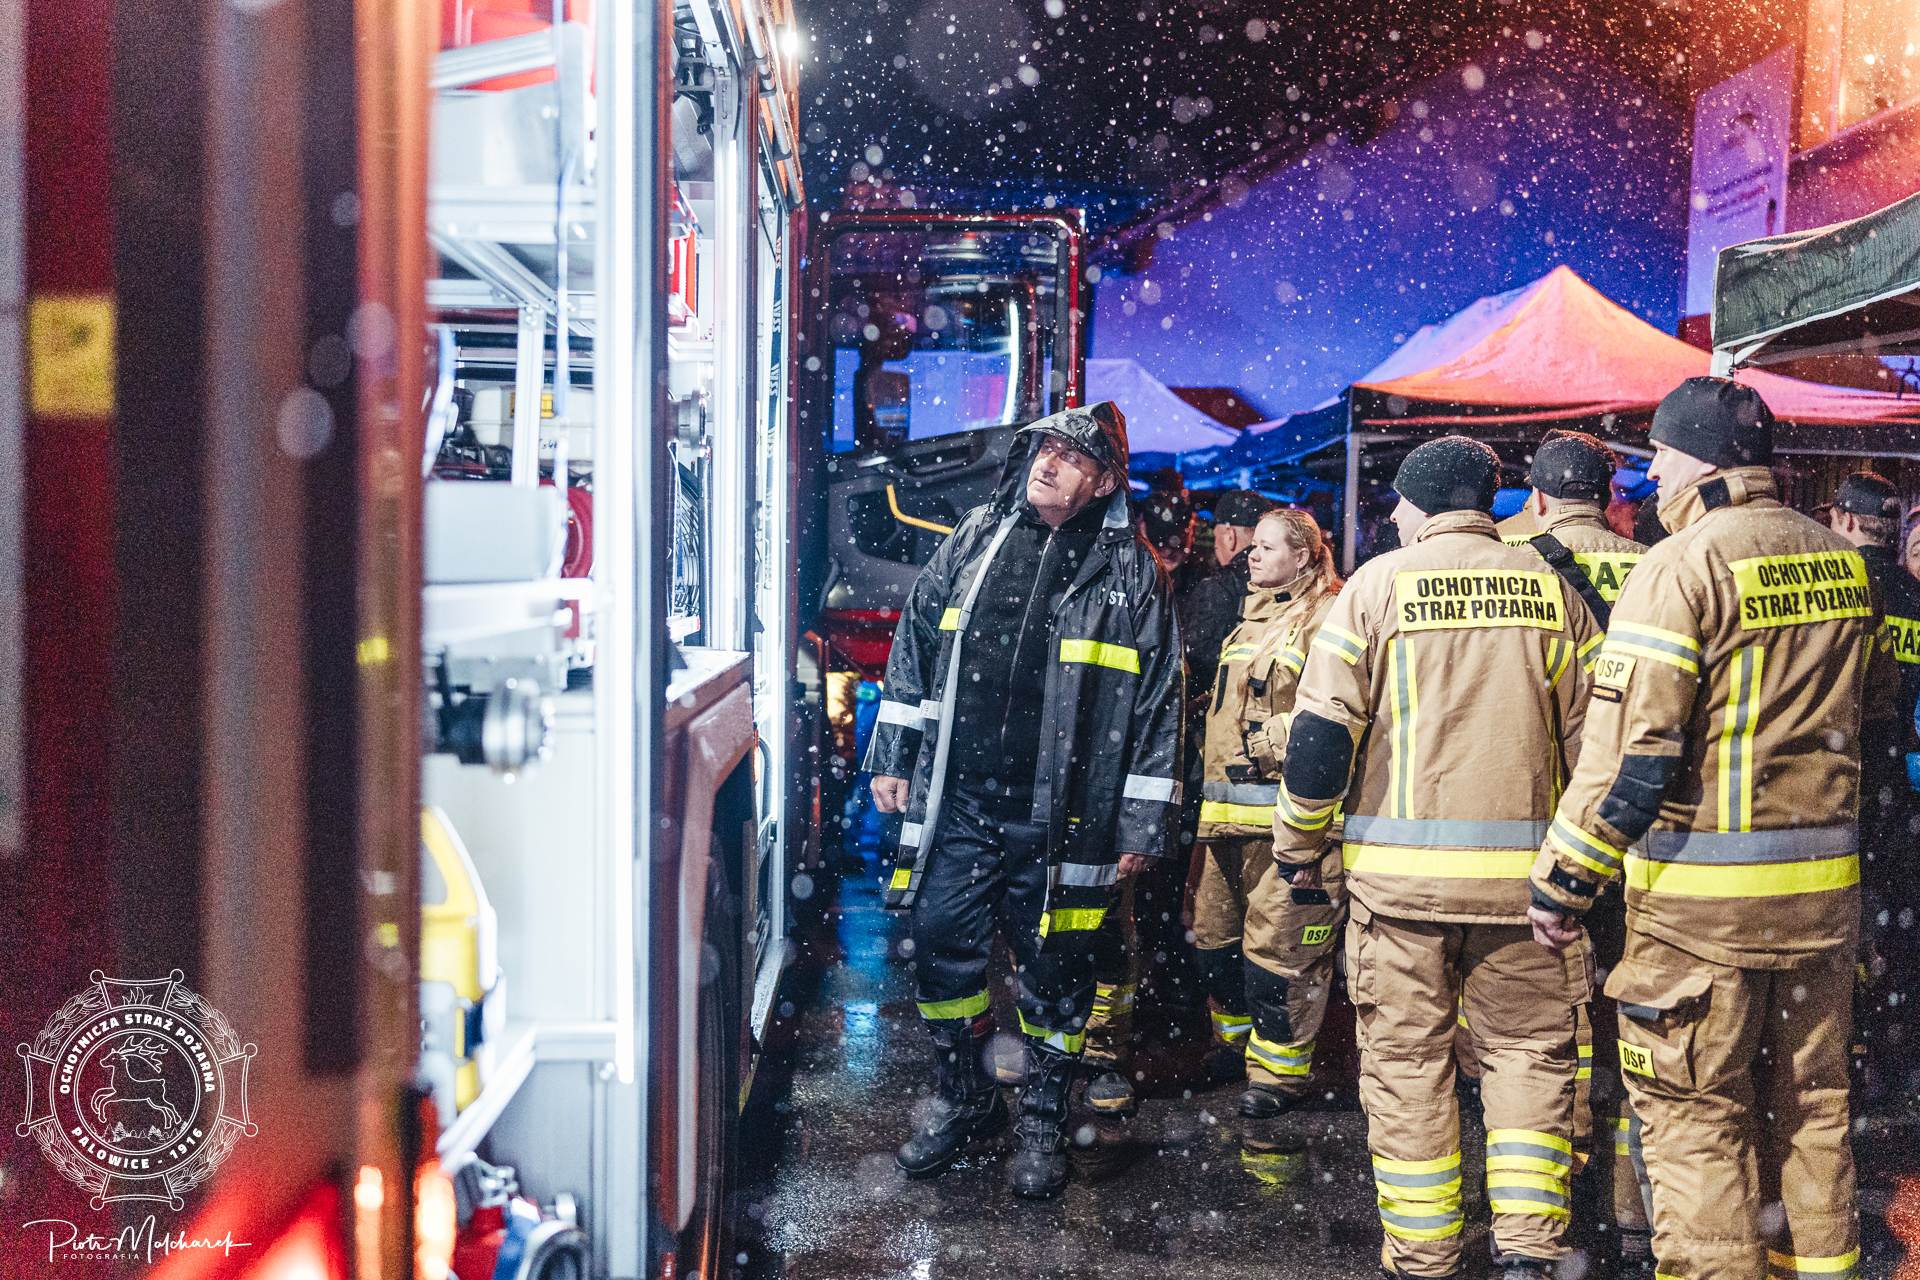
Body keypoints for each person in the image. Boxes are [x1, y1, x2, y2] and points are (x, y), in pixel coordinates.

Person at [1528, 378, 1902, 1280]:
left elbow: (1635, 755)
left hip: (1699, 909)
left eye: (1659, 454)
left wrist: (1565, 881)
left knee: (1695, 1115)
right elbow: (1880, 714)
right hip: (1822, 903)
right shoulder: (1844, 564)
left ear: (1700, 457)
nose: (1651, 474)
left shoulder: (1680, 566)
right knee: (1812, 1107)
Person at [1269, 435, 1602, 1280]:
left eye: (1398, 503)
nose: (1392, 517)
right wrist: (1581, 870)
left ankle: (1424, 1258)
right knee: (1529, 1062)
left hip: (1400, 897)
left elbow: (1320, 738)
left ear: (1420, 504)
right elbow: (1599, 747)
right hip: (1529, 896)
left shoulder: (1376, 587)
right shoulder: (1553, 591)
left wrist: (1299, 846)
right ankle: (1528, 1251)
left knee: (1408, 1067)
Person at [864, 400, 1184, 1198]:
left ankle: (1043, 1118)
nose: (1048, 462)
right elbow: (916, 643)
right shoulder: (978, 536)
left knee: (1057, 968)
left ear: (1104, 482)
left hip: (1066, 819)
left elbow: (1159, 703)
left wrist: (1143, 820)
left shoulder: (1131, 572)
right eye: (1043, 448)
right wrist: (894, 754)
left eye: (1071, 457)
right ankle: (967, 1097)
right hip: (962, 800)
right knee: (940, 942)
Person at [1188, 508, 1346, 1116]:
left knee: (1281, 958)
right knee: (1215, 947)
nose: (1252, 556)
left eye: (1268, 547)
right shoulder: (1249, 619)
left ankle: (1278, 1075)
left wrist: (1270, 742)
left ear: (1303, 556)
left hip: (1291, 823)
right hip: (1225, 819)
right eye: (1252, 545)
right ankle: (1234, 1049)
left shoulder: (1329, 615)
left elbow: (1336, 705)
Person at [1826, 472, 1920, 1100]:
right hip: (1905, 793)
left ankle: (1851, 1059)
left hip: (1851, 786)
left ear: (1849, 522)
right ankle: (1894, 1062)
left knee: (1847, 934)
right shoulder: (1915, 596)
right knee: (1898, 938)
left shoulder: (1843, 592)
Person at [1184, 489, 1280, 697]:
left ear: (1230, 536)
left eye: (1216, 536)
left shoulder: (1217, 586)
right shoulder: (1286, 580)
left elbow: (1198, 664)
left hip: (1228, 706)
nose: (1215, 545)